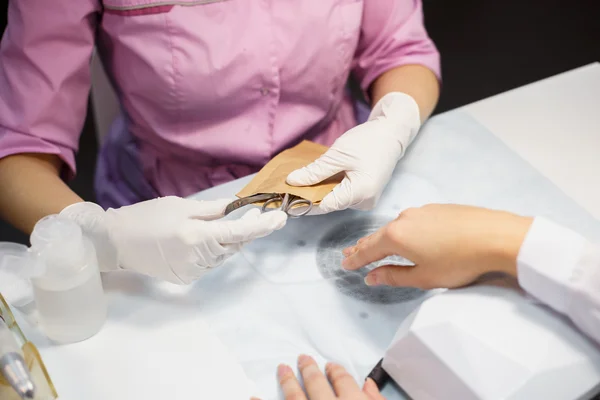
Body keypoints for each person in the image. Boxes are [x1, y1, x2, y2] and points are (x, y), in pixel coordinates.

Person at [0, 1, 440, 284]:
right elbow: (18, 149)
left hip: (338, 177)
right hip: (165, 213)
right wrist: (104, 237)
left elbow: (400, 51)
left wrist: (391, 125)